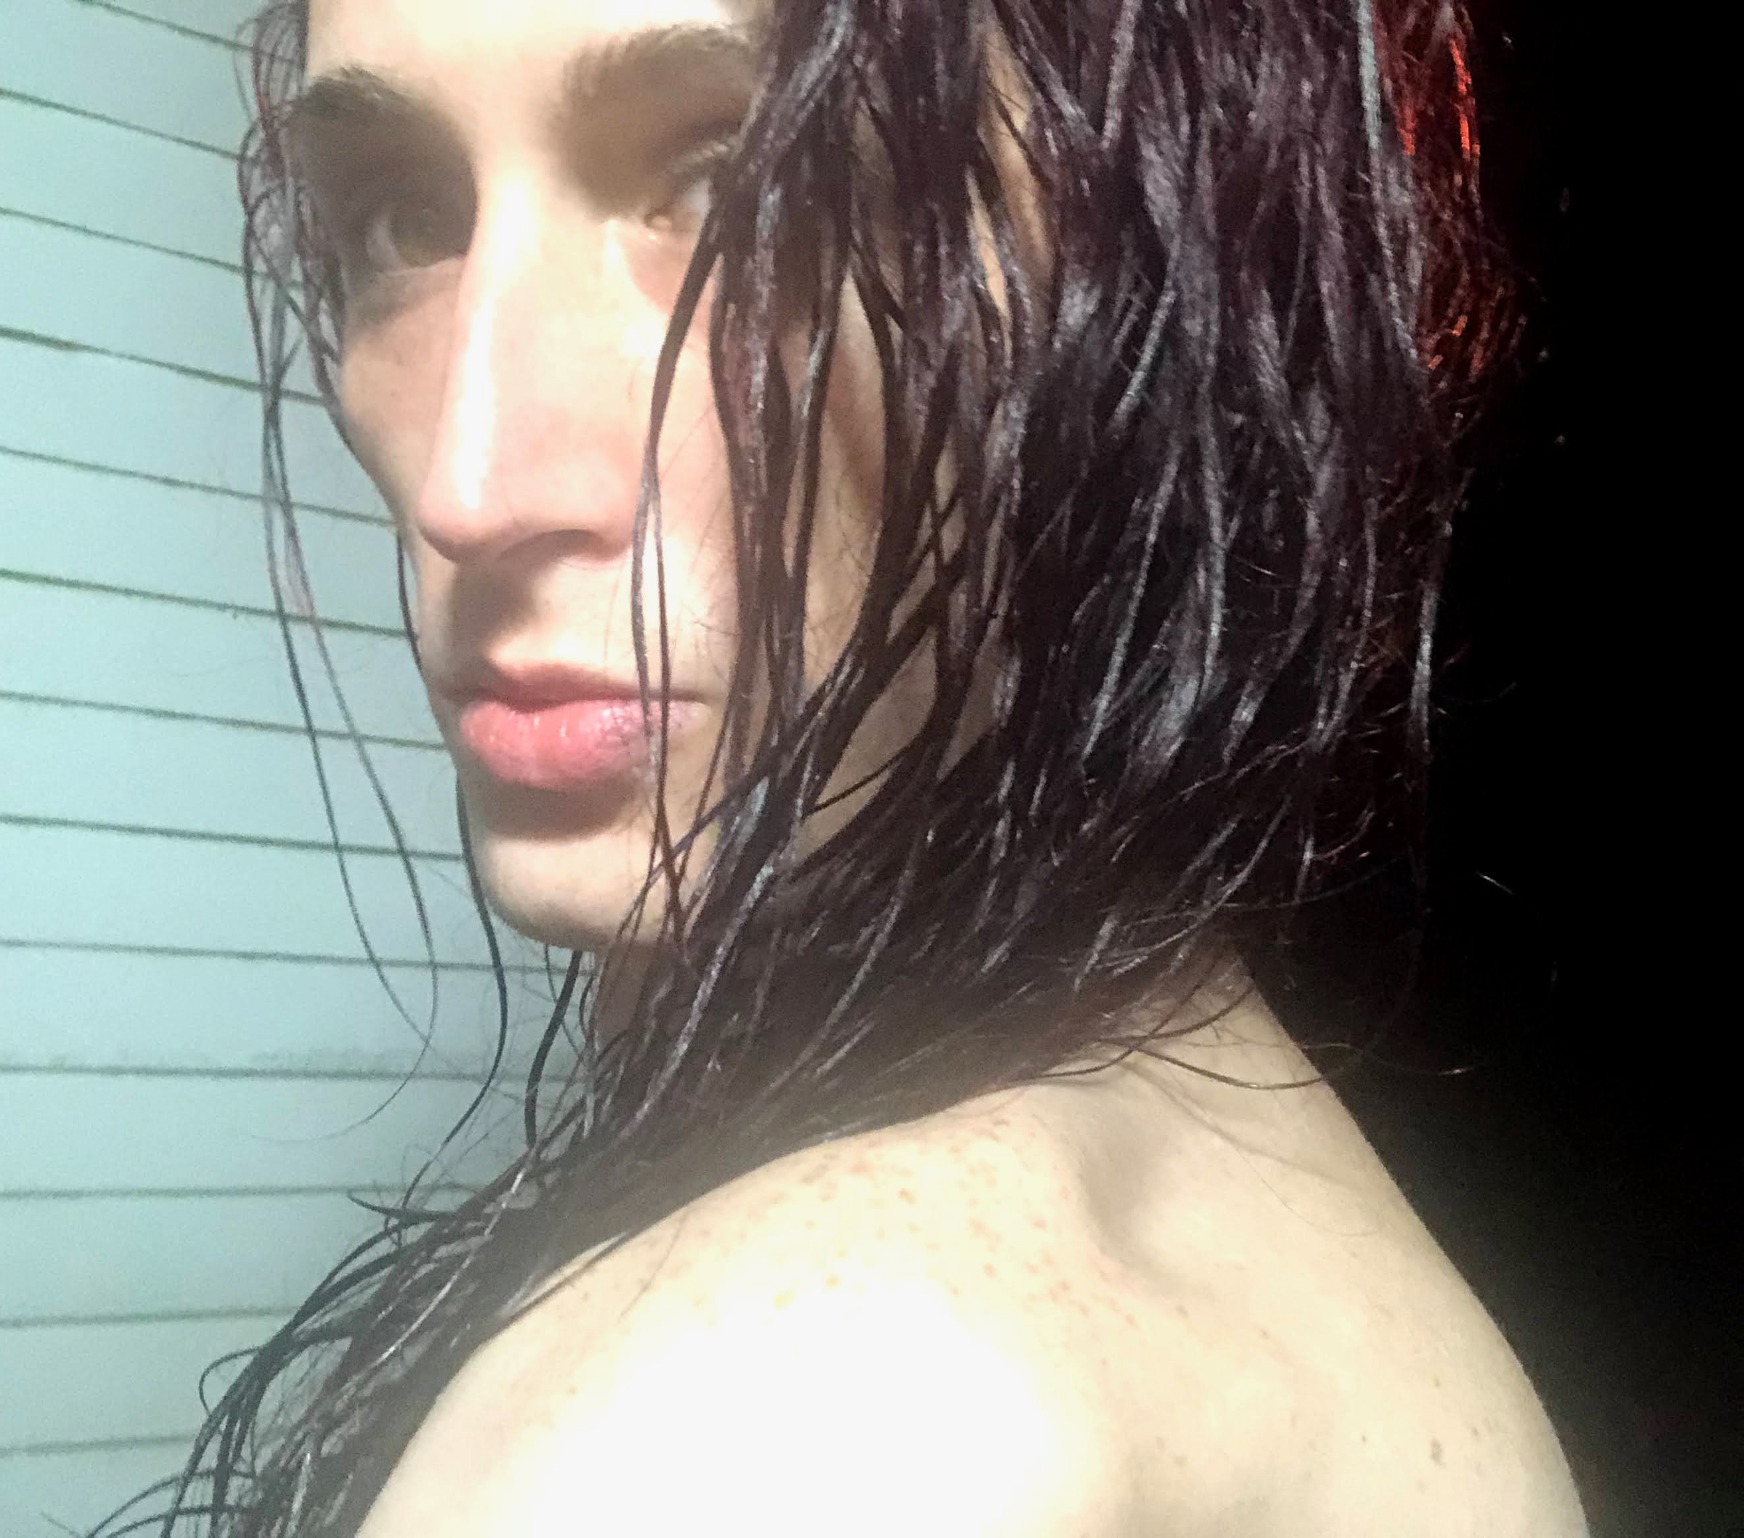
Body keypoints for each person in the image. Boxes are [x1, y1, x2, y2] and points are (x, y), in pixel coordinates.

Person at [122, 0, 1591, 1532]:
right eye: (404, 218)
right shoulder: (1240, 1196)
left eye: (746, 187)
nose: (471, 484)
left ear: (1184, 258)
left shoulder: (801, 1397)